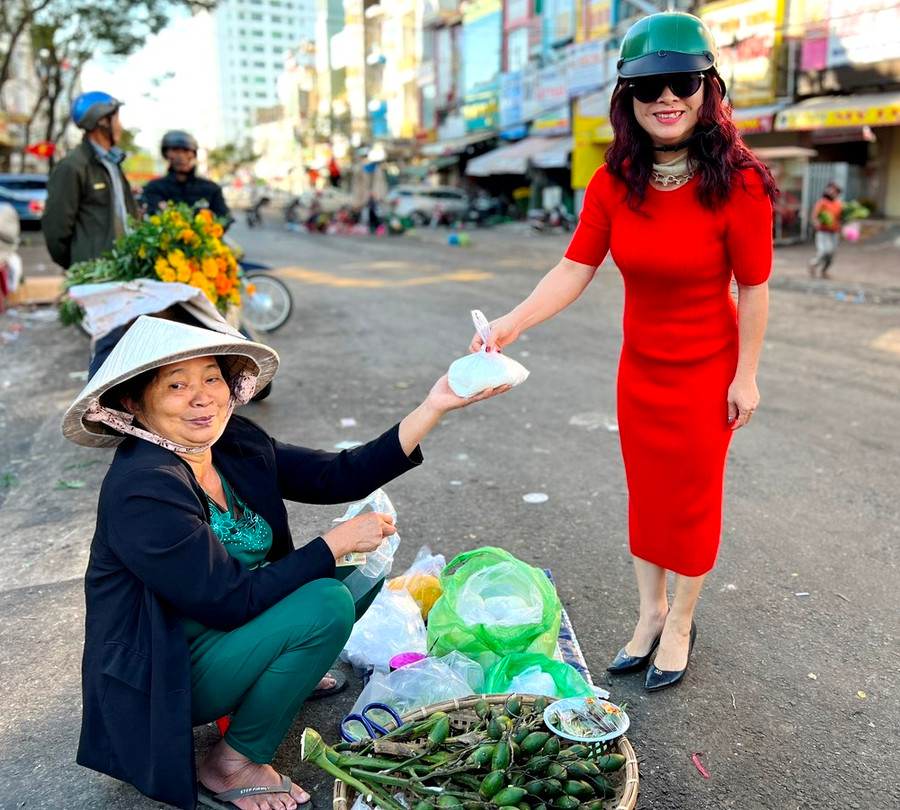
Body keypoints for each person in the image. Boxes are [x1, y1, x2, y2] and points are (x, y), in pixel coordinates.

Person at [62, 316, 510, 810]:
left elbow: (338, 476)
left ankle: (279, 669)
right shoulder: (143, 487)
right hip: (169, 670)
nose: (202, 397)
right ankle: (232, 762)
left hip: (232, 625)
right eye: (176, 385)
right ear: (132, 403)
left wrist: (435, 404)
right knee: (326, 602)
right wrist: (332, 542)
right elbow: (230, 600)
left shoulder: (232, 444)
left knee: (361, 574)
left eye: (211, 377)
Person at [471, 11, 776, 692]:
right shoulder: (614, 183)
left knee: (693, 500)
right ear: (628, 99)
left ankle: (682, 622)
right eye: (649, 87)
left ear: (708, 88)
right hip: (640, 371)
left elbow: (754, 289)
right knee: (646, 494)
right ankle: (649, 612)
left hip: (708, 372)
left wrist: (747, 378)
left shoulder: (741, 182)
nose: (667, 99)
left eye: (682, 82)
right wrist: (513, 322)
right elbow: (575, 268)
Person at [43, 91, 140, 269]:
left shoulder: (113, 163)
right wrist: (80, 262)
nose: (121, 127)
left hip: (123, 269)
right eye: (117, 119)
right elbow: (56, 230)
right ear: (102, 121)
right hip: (93, 275)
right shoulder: (72, 166)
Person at [142, 130, 231, 221]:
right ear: (166, 153)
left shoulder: (211, 189)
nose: (180, 155)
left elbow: (225, 218)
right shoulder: (154, 188)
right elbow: (152, 214)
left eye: (186, 150)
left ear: (193, 154)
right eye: (175, 150)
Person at [809, 181, 843, 278]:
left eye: (835, 191)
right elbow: (815, 216)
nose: (833, 193)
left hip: (834, 232)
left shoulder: (838, 204)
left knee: (832, 254)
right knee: (824, 251)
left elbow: (840, 218)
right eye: (832, 190)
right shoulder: (822, 202)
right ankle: (813, 264)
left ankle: (824, 270)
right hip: (823, 231)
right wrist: (817, 222)